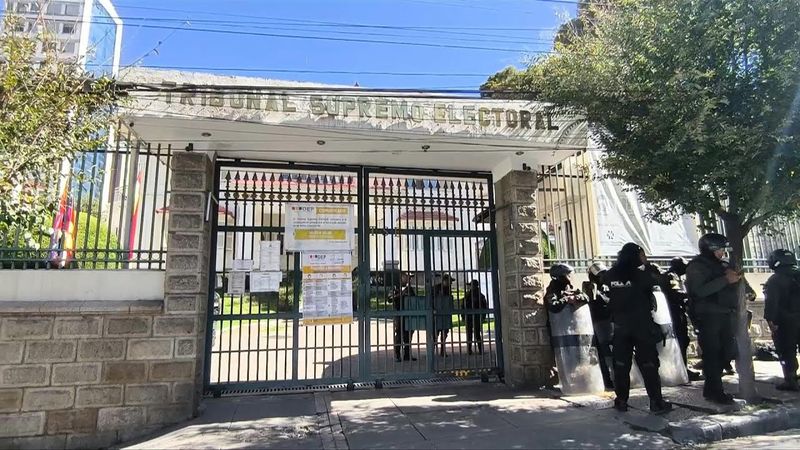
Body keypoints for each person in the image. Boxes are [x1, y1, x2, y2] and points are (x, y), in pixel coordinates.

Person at [604, 242, 672, 414]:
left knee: (621, 365)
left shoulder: (610, 275)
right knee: (649, 364)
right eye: (642, 254)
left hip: (620, 326)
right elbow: (659, 283)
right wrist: (648, 266)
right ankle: (656, 402)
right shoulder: (643, 275)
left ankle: (621, 401)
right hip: (642, 325)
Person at [685, 233, 742, 404]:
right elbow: (699, 291)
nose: (722, 253)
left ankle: (711, 389)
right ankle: (715, 391)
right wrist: (725, 280)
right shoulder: (697, 266)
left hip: (725, 314)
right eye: (719, 250)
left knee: (727, 352)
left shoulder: (722, 265)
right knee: (712, 354)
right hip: (708, 316)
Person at [764, 249, 800, 391]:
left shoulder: (775, 280)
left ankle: (791, 379)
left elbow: (771, 303)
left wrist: (770, 320)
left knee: (786, 350)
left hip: (786, 321)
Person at [661, 257, 702, 381]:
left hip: (678, 312)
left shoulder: (677, 277)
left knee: (683, 341)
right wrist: (691, 296)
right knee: (681, 341)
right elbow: (675, 293)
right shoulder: (671, 276)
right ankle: (682, 370)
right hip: (674, 313)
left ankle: (684, 368)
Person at [582, 262, 614, 390]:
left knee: (613, 350)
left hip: (610, 321)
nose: (603, 277)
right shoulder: (589, 287)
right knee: (603, 352)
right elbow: (592, 301)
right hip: (598, 322)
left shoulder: (607, 287)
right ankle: (607, 379)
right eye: (600, 275)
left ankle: (616, 377)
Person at [391, 272, 417, 362]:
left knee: (408, 335)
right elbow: (390, 298)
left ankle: (407, 355)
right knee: (398, 334)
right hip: (398, 314)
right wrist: (401, 294)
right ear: (402, 277)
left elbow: (414, 299)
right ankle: (397, 355)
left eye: (410, 278)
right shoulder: (395, 287)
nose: (409, 279)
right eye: (407, 277)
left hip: (408, 314)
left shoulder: (410, 289)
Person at [463, 279, 489, 355]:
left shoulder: (469, 295)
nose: (470, 287)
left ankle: (470, 350)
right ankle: (478, 350)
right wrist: (483, 316)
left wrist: (463, 316)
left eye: (471, 286)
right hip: (474, 317)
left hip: (472, 317)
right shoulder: (480, 295)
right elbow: (484, 307)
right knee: (476, 334)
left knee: (471, 334)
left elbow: (463, 306)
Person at [432, 274, 454, 357]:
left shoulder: (448, 289)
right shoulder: (436, 288)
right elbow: (431, 299)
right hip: (437, 314)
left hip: (444, 314)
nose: (451, 283)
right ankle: (432, 351)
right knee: (435, 334)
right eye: (450, 281)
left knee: (444, 334)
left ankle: (442, 351)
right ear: (445, 281)